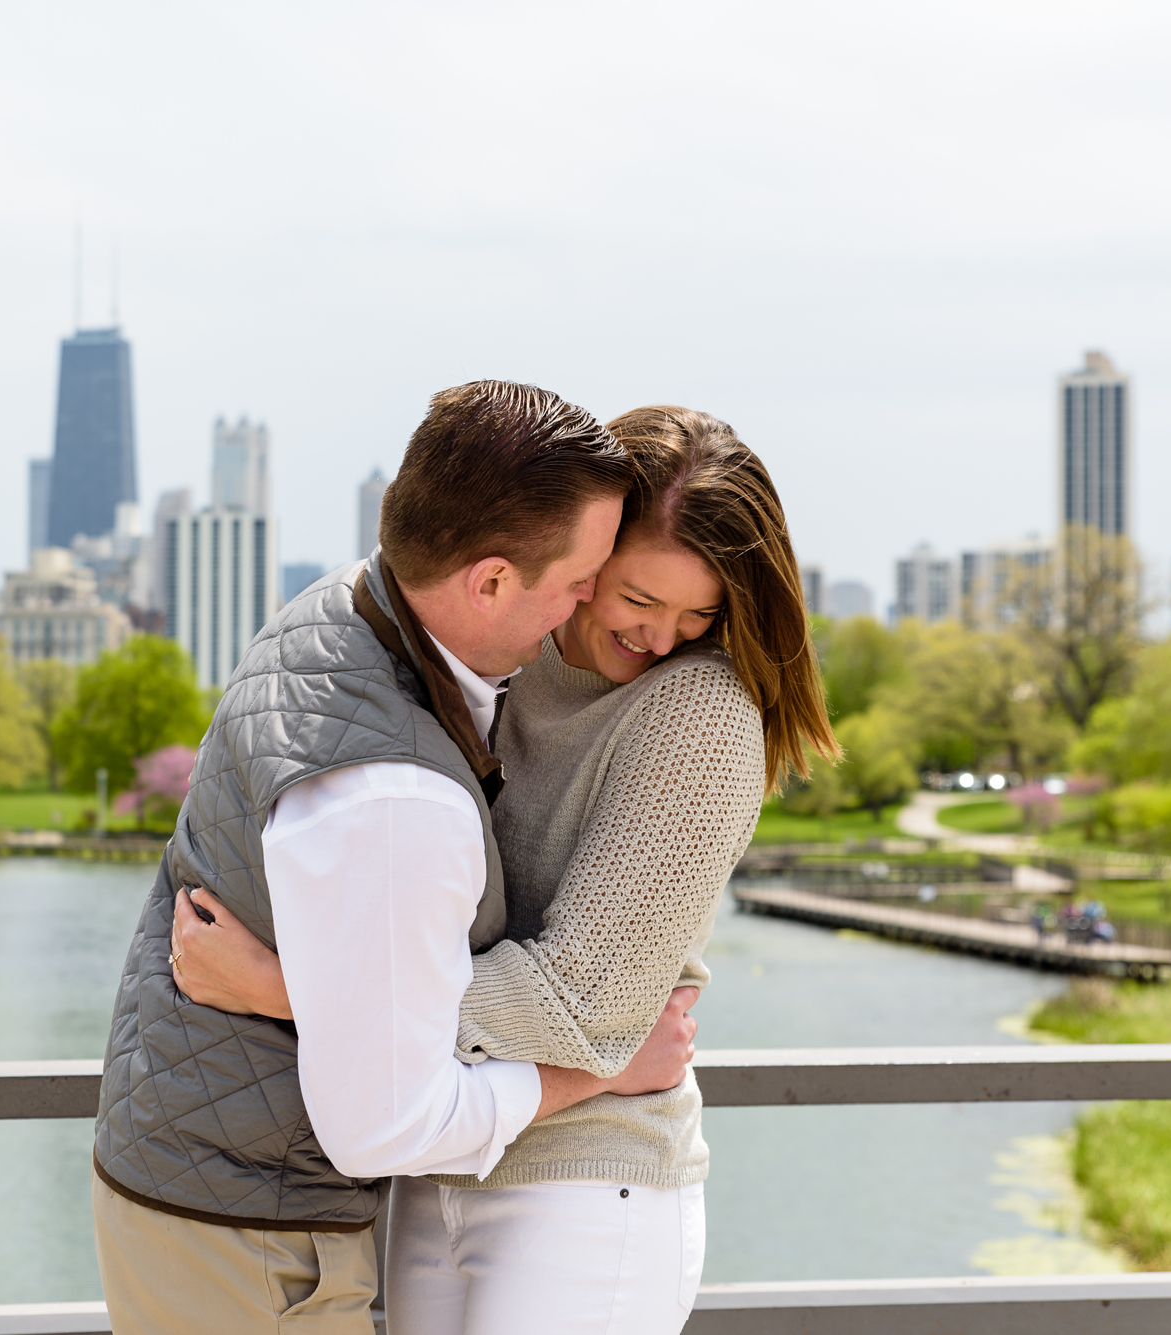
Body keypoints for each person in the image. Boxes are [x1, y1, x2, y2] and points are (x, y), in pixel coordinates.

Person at [171, 406, 837, 1334]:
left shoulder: (701, 714)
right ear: (586, 551)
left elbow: (583, 1005)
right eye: (638, 600)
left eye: (700, 614)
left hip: (588, 1181)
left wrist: (290, 992)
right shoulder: (499, 662)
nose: (660, 637)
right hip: (435, 1158)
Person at [91, 381, 701, 1335]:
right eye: (583, 580)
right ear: (491, 579)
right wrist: (598, 1071)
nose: (586, 607)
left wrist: (287, 988)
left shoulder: (342, 608)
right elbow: (386, 1122)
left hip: (191, 1184)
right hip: (256, 1242)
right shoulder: (396, 797)